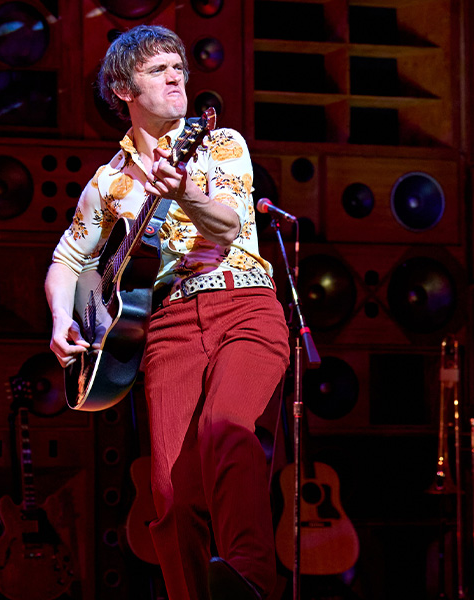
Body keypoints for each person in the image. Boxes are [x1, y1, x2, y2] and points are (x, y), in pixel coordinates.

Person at [45, 25, 290, 600]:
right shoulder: (109, 181)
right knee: (170, 494)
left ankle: (249, 582)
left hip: (244, 304)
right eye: (158, 70)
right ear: (123, 89)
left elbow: (228, 225)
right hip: (169, 327)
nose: (176, 77)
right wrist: (61, 318)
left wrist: (184, 193)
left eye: (179, 67)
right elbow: (67, 259)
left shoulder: (218, 143)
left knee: (225, 431)